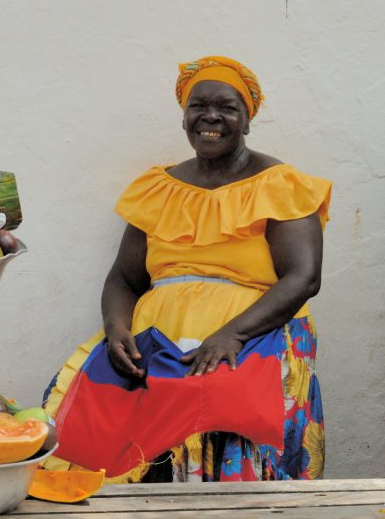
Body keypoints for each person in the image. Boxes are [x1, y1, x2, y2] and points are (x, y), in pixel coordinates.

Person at [42, 57, 330, 482]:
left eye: (227, 107)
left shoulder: (278, 184)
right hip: (156, 339)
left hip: (253, 334)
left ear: (247, 119)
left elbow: (304, 277)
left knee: (222, 403)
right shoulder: (159, 188)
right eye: (198, 106)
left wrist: (231, 334)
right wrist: (116, 328)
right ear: (184, 117)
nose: (210, 116)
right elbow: (125, 278)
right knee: (82, 403)